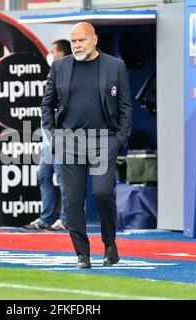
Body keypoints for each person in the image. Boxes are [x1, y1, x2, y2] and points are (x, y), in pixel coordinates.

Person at [40, 22, 132, 268]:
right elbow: (46, 104)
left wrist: (119, 139)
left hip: (105, 140)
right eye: (73, 41)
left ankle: (110, 244)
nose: (77, 45)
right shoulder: (59, 67)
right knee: (72, 200)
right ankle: (82, 254)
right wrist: (52, 135)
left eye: (81, 40)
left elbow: (125, 107)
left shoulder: (115, 66)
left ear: (95, 40)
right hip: (69, 141)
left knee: (102, 193)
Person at [24, 39, 71, 231]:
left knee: (63, 179)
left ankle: (66, 219)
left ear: (62, 53)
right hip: (47, 138)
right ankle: (46, 218)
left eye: (52, 51)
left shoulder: (71, 74)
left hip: (62, 136)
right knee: (44, 176)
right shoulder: (53, 73)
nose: (49, 54)